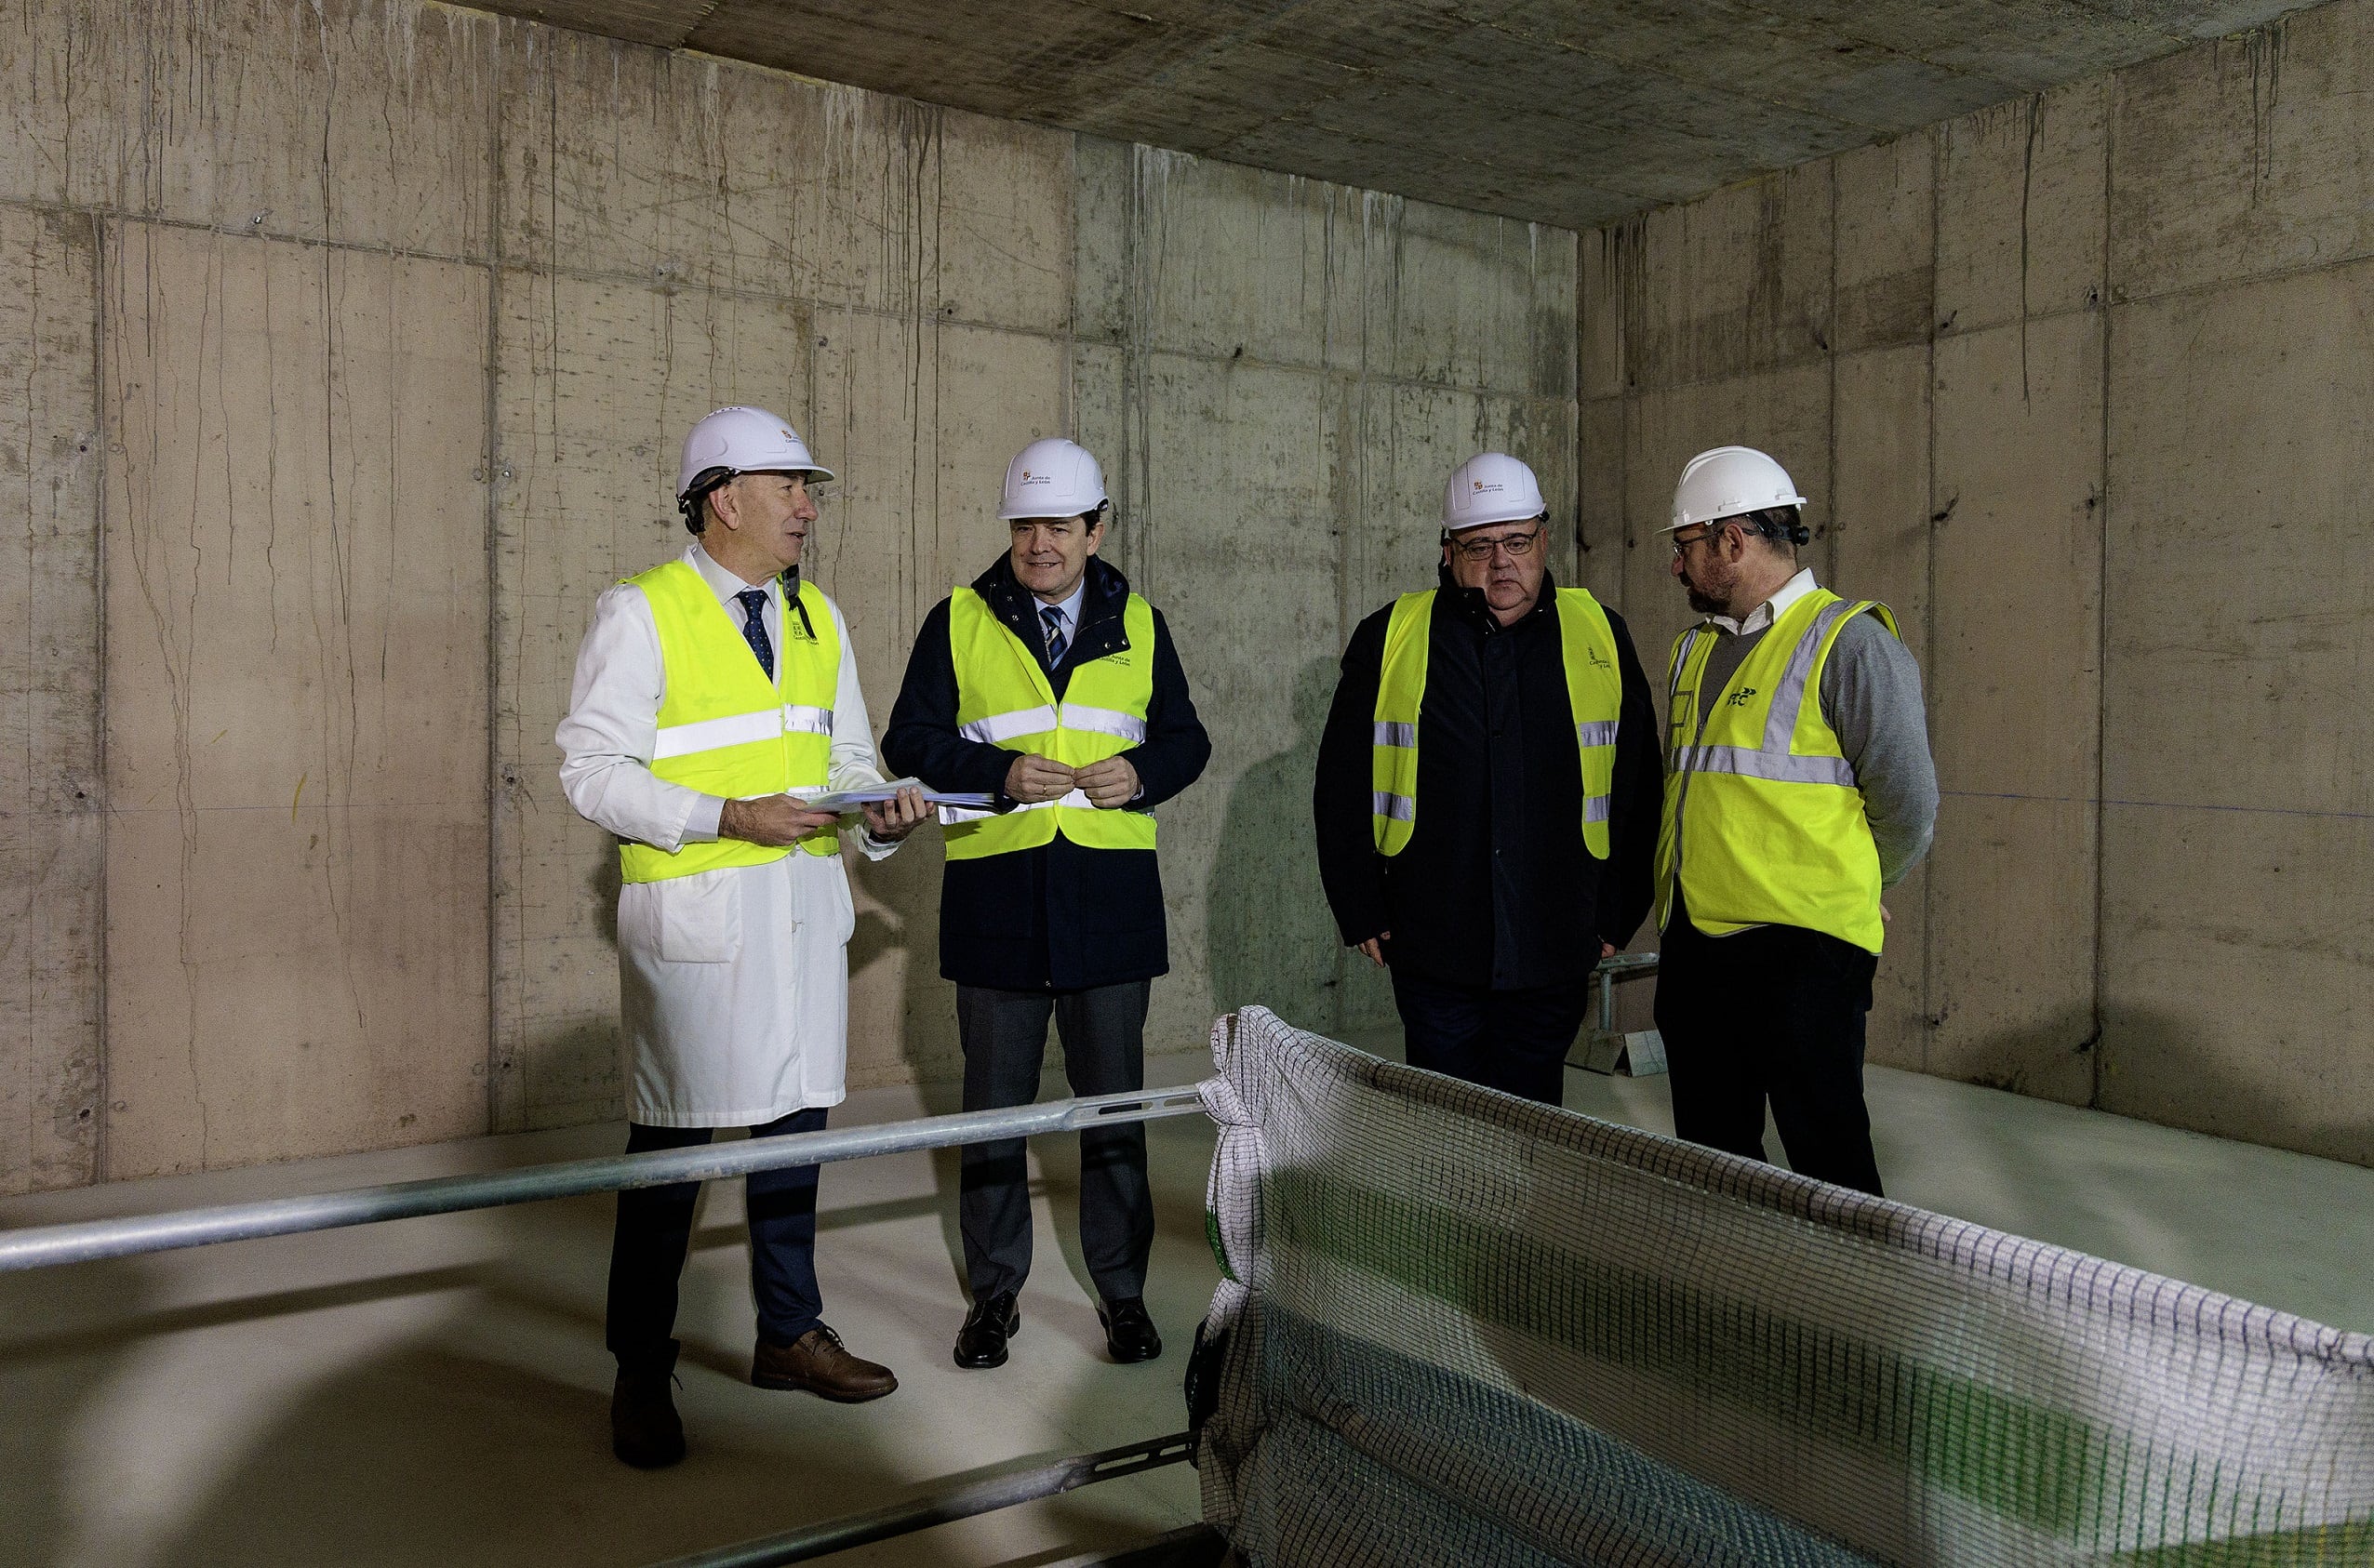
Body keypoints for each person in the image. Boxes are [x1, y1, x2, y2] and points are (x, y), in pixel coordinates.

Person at [557, 405, 929, 1469]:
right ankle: (640, 1366)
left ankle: (786, 1336)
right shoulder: (642, 613)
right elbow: (590, 772)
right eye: (789, 488)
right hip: (701, 935)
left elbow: (850, 762)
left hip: (804, 923)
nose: (808, 508)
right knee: (668, 1160)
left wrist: (887, 806)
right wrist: (728, 816)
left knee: (793, 1141)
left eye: (807, 490)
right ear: (725, 498)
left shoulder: (819, 619)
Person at [882, 436, 1209, 1373]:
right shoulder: (957, 619)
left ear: (1094, 530)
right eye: (1024, 527)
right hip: (997, 903)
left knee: (1112, 1116)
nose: (1038, 546)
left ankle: (1122, 1295)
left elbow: (1186, 741)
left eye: (1057, 528)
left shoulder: (1142, 623)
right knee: (991, 1117)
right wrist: (993, 772)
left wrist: (1140, 772)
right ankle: (993, 1298)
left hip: (1108, 908)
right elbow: (908, 738)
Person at [1314, 451, 1660, 1105]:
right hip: (1432, 938)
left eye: (1517, 541)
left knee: (1534, 1120)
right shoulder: (1390, 635)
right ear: (1447, 552)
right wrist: (1357, 902)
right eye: (1480, 546)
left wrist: (1619, 908)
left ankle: (1524, 1213)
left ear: (1544, 538)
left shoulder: (1602, 634)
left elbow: (1640, 784)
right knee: (1447, 1122)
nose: (1502, 561)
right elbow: (1341, 784)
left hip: (1555, 936)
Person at [1653, 445, 1939, 1197]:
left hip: (1803, 957)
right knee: (1713, 1163)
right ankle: (1740, 1303)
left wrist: (1861, 880)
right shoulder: (1692, 651)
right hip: (1696, 946)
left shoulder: (1850, 643)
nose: (1676, 568)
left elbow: (1909, 803)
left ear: (1733, 541)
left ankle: (1855, 1312)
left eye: (1685, 548)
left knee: (1829, 1159)